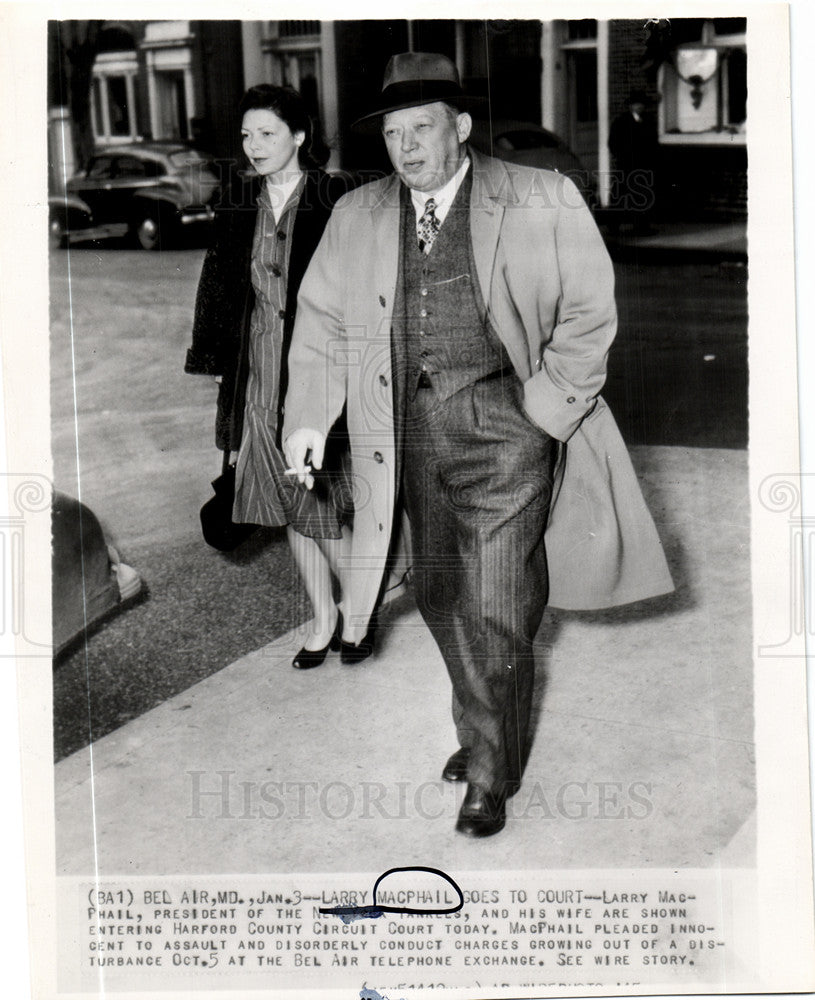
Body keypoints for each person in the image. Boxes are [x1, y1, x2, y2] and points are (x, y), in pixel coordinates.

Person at [283, 53, 674, 837]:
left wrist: (545, 411)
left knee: (496, 601)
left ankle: (489, 770)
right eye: (392, 134)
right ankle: (484, 724)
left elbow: (588, 314)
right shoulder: (359, 213)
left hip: (508, 431)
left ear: (459, 127)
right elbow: (321, 323)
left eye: (421, 129)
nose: (406, 148)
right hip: (402, 436)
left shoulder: (539, 196)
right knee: (436, 595)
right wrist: (306, 417)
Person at [185, 84, 368, 669]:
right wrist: (219, 369)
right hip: (258, 372)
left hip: (317, 367)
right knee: (284, 497)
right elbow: (217, 286)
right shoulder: (239, 199)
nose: (253, 146)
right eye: (246, 135)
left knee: (310, 493)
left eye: (266, 133)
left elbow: (360, 289)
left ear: (299, 135)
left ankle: (358, 608)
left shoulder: (338, 196)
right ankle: (327, 616)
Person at [608, 89, 659, 233]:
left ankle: (642, 225)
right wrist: (622, 156)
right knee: (620, 194)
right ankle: (614, 225)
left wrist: (651, 158)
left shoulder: (648, 121)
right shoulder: (621, 122)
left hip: (643, 164)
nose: (639, 107)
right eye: (636, 104)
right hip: (626, 165)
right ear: (630, 106)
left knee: (643, 194)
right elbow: (613, 142)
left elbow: (653, 142)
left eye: (641, 104)